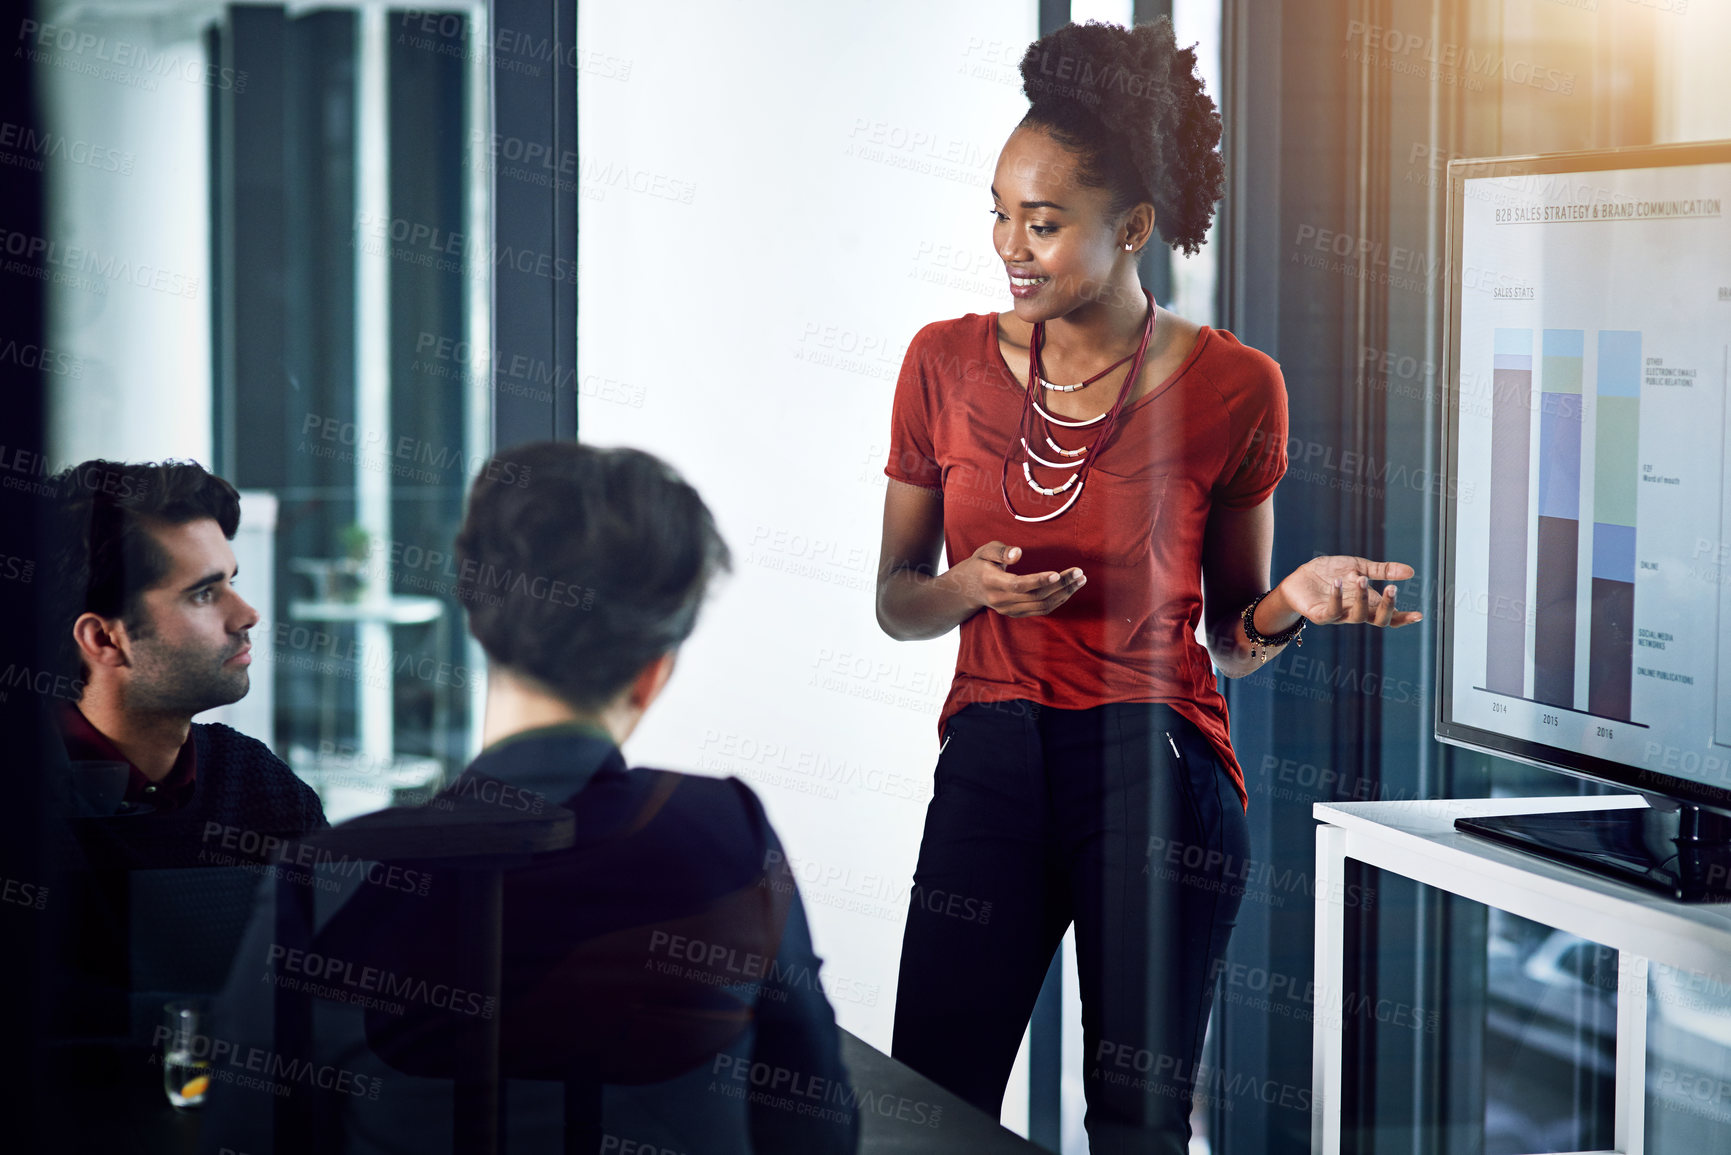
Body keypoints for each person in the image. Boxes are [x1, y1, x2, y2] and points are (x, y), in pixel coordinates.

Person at [875, 20, 1421, 1154]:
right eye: (999, 211)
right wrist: (968, 586)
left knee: (1136, 1127)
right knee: (927, 1106)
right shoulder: (941, 361)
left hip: (1159, 769)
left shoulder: (1235, 386)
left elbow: (1231, 636)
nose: (1009, 247)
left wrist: (1293, 604)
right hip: (992, 760)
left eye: (1043, 222)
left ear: (1131, 228)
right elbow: (894, 600)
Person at [200, 442, 858, 1155]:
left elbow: (248, 1137)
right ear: (653, 671)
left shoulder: (325, 878)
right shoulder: (727, 831)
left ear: (478, 623)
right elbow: (818, 1125)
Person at [46, 458, 326, 867]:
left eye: (232, 582)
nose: (248, 614)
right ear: (104, 639)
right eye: (204, 594)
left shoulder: (260, 785)